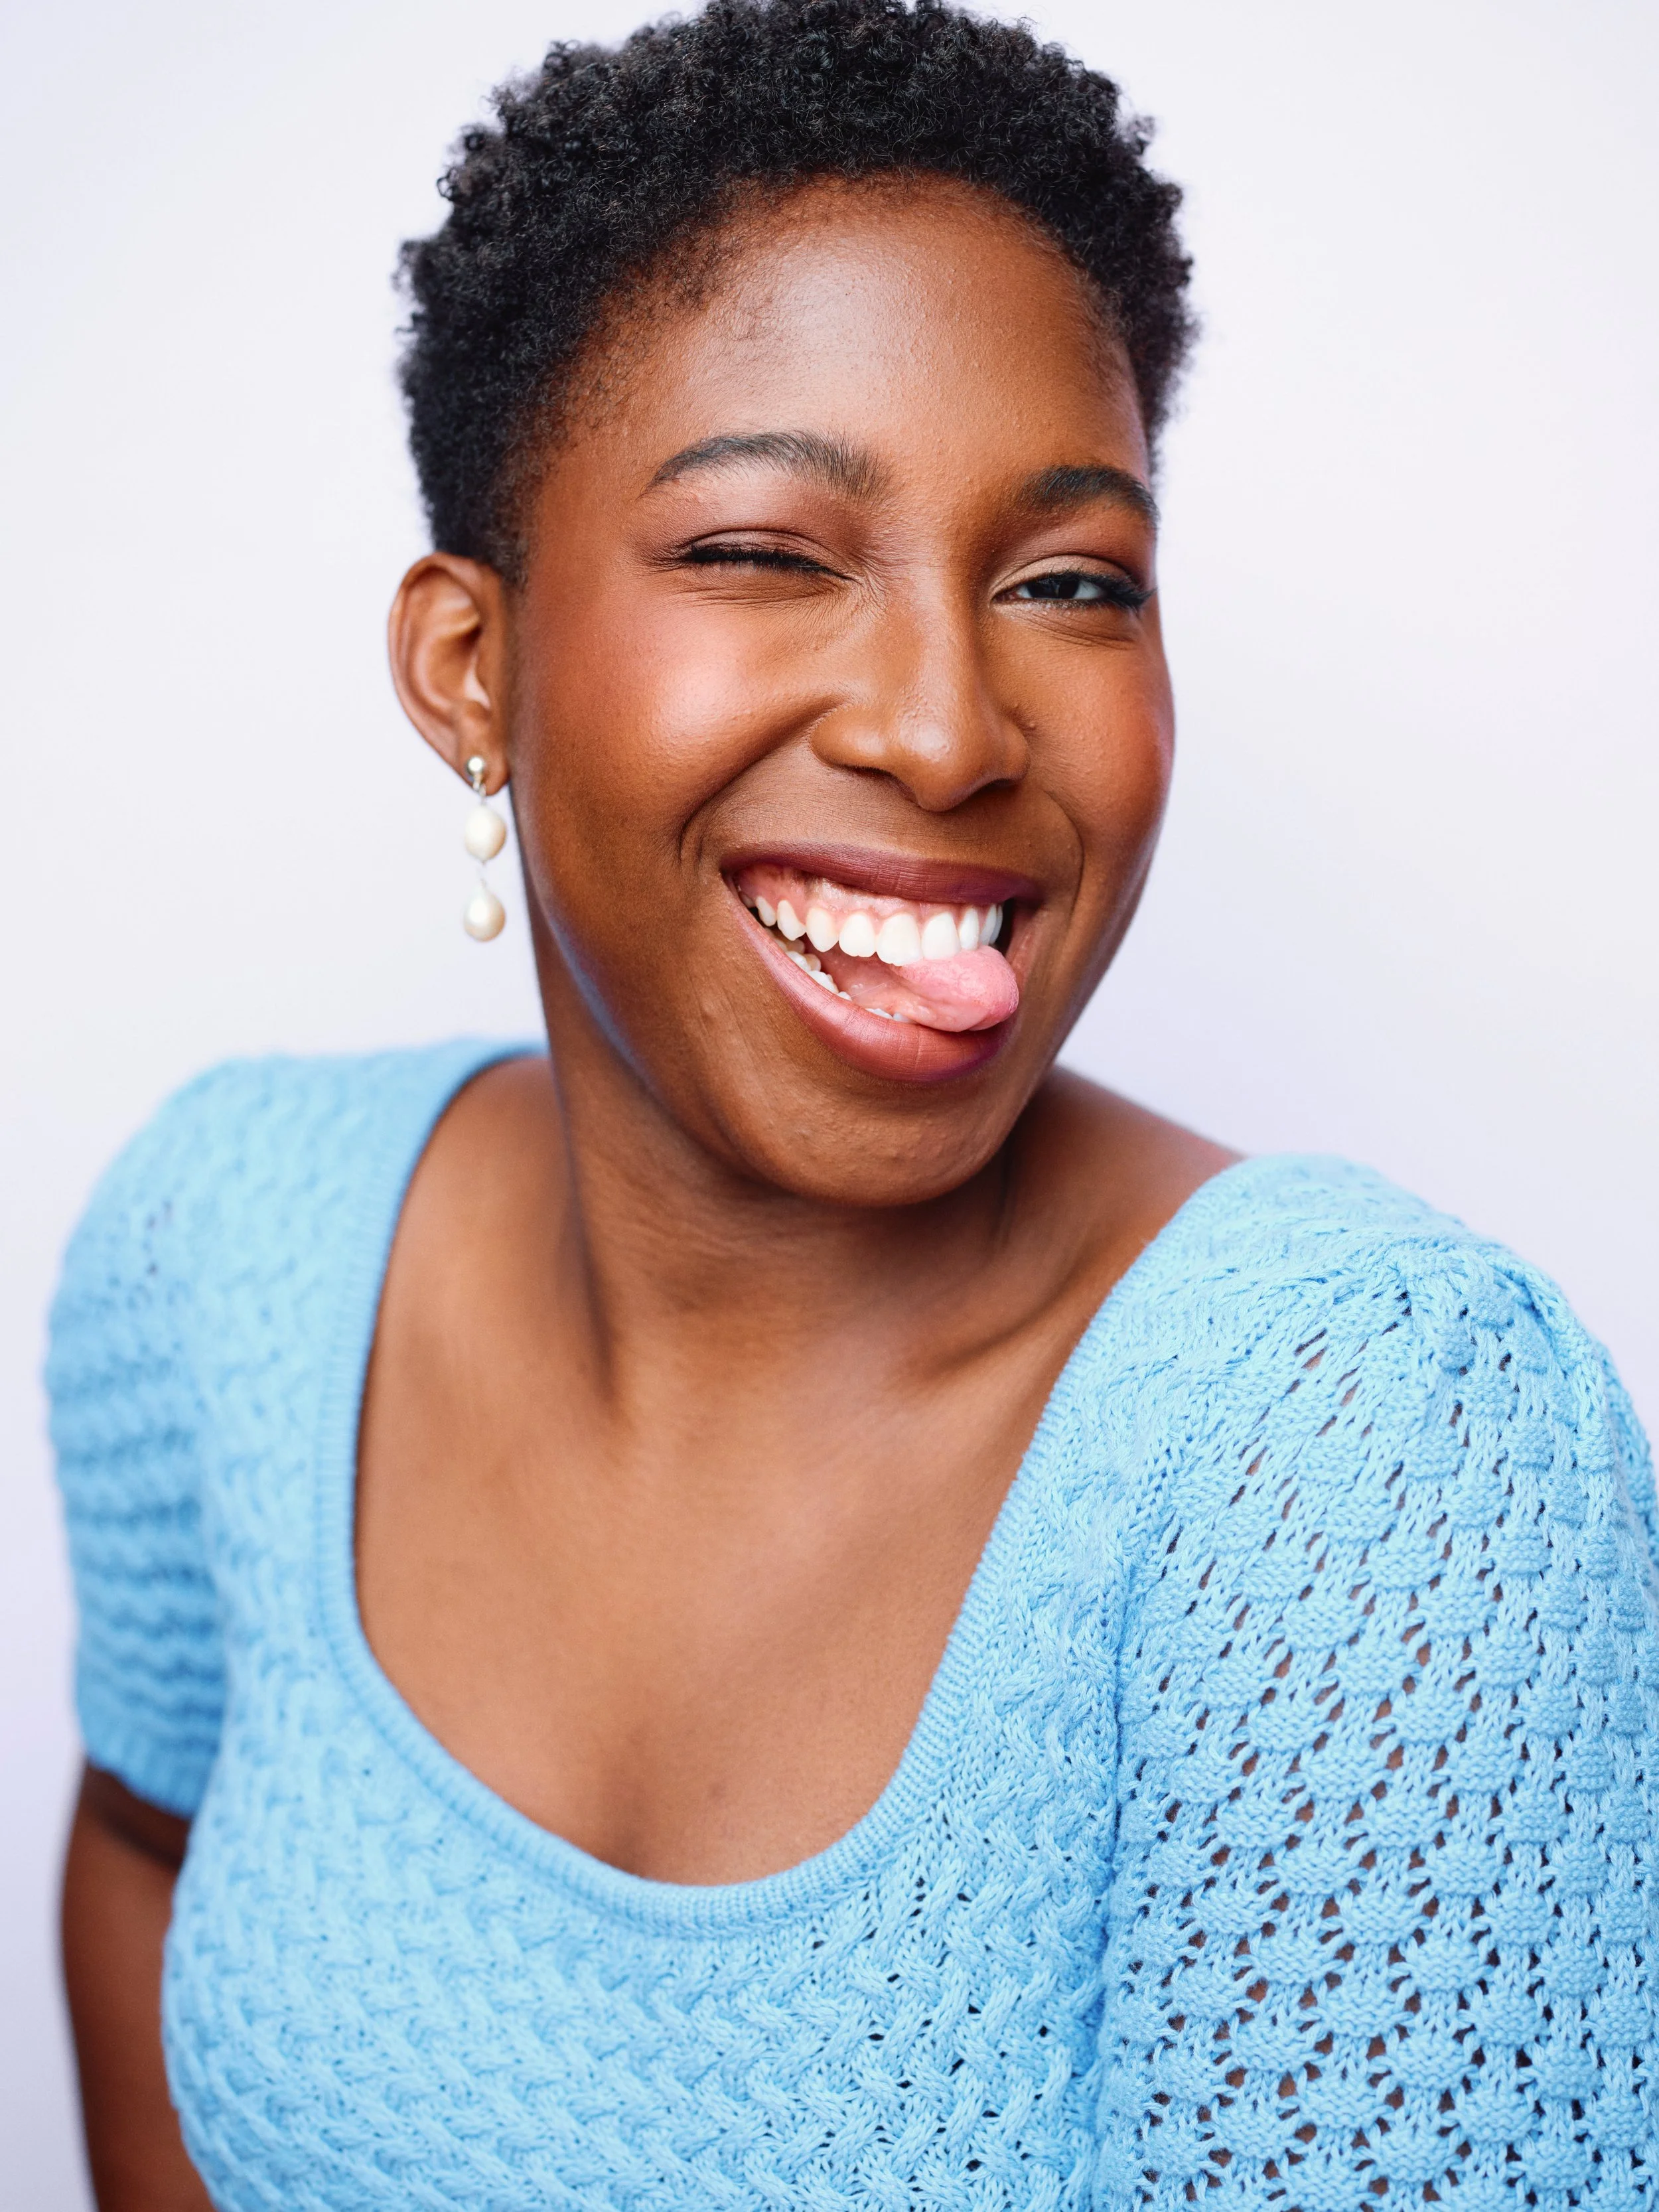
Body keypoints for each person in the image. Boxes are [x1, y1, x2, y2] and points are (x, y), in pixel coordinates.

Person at [49, 1, 1657, 2205]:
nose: (943, 726)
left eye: (1067, 582)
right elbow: (146, 1850)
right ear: (468, 667)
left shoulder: (1364, 1461)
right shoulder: (223, 1247)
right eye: (762, 554)